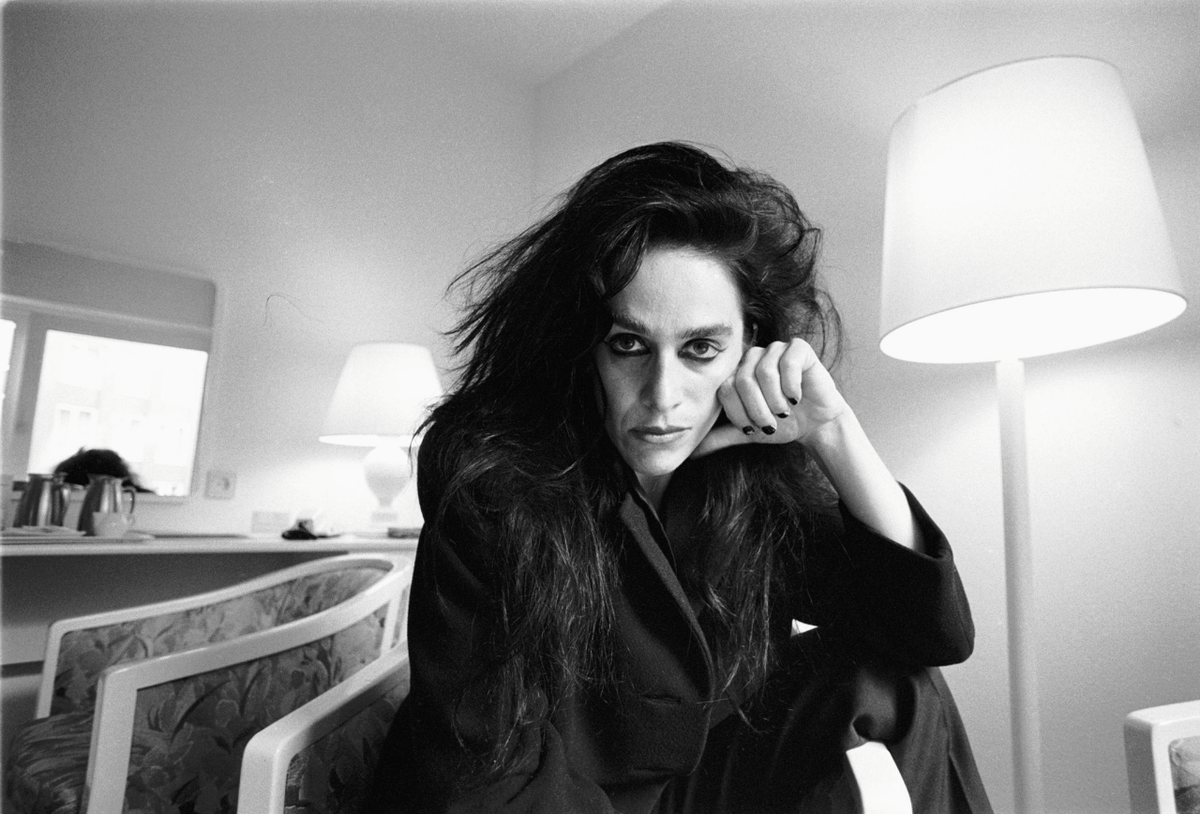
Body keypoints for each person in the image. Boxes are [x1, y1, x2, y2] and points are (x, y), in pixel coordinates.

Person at [368, 142, 992, 813]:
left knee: (898, 686)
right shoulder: (497, 470)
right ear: (581, 345)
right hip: (540, 799)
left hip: (692, 787)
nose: (663, 396)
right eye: (628, 345)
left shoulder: (748, 462)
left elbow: (932, 635)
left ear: (749, 345)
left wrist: (832, 431)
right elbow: (490, 777)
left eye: (700, 348)